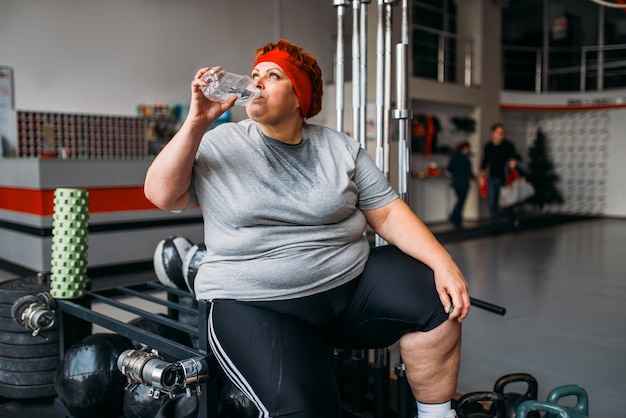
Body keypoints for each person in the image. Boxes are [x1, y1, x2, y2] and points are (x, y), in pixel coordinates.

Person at [144, 39, 470, 418]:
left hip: (347, 293)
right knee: (305, 409)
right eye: (255, 75)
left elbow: (388, 213)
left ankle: (436, 415)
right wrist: (197, 122)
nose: (257, 82)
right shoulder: (220, 142)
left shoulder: (339, 148)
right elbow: (161, 195)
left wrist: (444, 264)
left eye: (273, 75)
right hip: (255, 305)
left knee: (438, 297)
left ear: (300, 97)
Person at [478, 123, 518, 233]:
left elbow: (514, 158)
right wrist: (481, 177)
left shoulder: (508, 146)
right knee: (492, 203)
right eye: (499, 132)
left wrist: (512, 163)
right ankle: (496, 226)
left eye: (503, 133)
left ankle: (512, 221)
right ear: (493, 133)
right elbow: (484, 162)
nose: (502, 135)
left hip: (505, 179)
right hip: (492, 178)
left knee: (505, 203)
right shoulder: (488, 147)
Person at [446, 141, 475, 229]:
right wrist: (477, 179)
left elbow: (449, 168)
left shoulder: (454, 158)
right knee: (461, 202)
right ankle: (455, 218)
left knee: (459, 201)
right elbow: (469, 173)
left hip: (455, 183)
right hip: (464, 184)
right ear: (465, 149)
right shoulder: (466, 160)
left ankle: (456, 219)